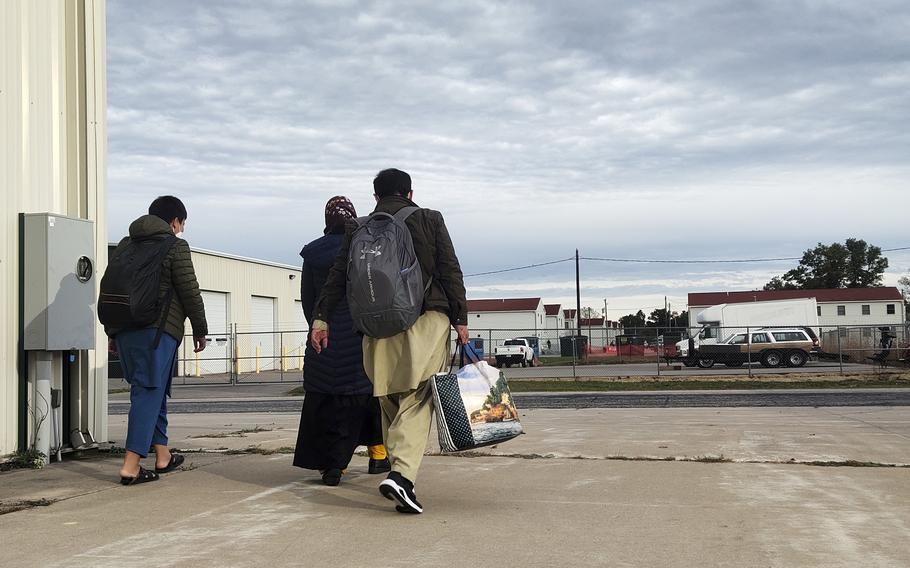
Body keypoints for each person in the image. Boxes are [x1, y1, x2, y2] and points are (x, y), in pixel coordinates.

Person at [311, 168, 468, 514]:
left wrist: (320, 319)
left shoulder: (358, 228)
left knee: (388, 399)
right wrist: (460, 319)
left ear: (376, 197)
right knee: (419, 396)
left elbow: (339, 276)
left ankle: (399, 476)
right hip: (425, 320)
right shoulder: (428, 219)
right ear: (410, 193)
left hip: (373, 327)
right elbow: (449, 269)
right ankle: (402, 477)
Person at [106, 196, 208, 485]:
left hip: (126, 329)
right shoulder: (175, 246)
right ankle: (131, 465)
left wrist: (113, 332)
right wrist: (200, 329)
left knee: (154, 390)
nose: (182, 230)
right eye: (182, 224)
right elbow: (189, 291)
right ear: (174, 221)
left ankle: (162, 455)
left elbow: (114, 287)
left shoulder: (127, 245)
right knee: (148, 393)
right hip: (157, 332)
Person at [293, 196, 390, 486]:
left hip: (324, 337)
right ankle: (378, 454)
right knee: (368, 397)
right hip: (359, 335)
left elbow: (309, 299)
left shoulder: (312, 254)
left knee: (326, 402)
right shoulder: (362, 250)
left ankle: (333, 465)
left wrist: (318, 324)